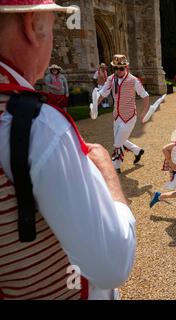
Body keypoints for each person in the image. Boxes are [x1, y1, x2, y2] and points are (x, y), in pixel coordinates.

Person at [0, 0, 136, 300]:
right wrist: (108, 175)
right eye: (51, 23)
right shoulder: (38, 127)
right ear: (33, 25)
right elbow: (112, 265)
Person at [97, 54, 149, 174]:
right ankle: (137, 151)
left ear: (126, 67)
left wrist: (144, 112)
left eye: (121, 68)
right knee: (120, 139)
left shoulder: (133, 80)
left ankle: (116, 166)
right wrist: (95, 106)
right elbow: (103, 93)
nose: (119, 71)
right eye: (116, 68)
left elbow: (145, 96)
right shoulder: (110, 79)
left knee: (118, 143)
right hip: (117, 115)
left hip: (129, 116)